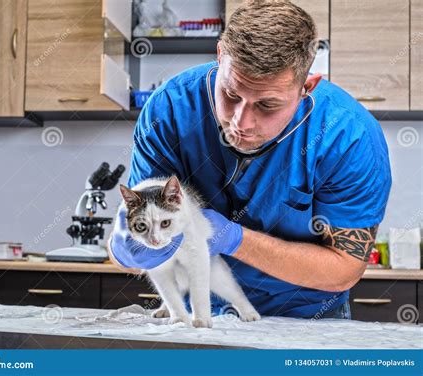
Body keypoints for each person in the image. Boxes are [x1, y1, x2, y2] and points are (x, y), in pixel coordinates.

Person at [108, 0, 392, 320]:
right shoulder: (168, 113)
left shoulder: (348, 136)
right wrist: (126, 249)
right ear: (219, 56)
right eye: (231, 94)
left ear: (306, 87)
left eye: (267, 105)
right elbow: (132, 248)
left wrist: (235, 239)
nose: (241, 122)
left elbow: (345, 269)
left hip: (305, 316)